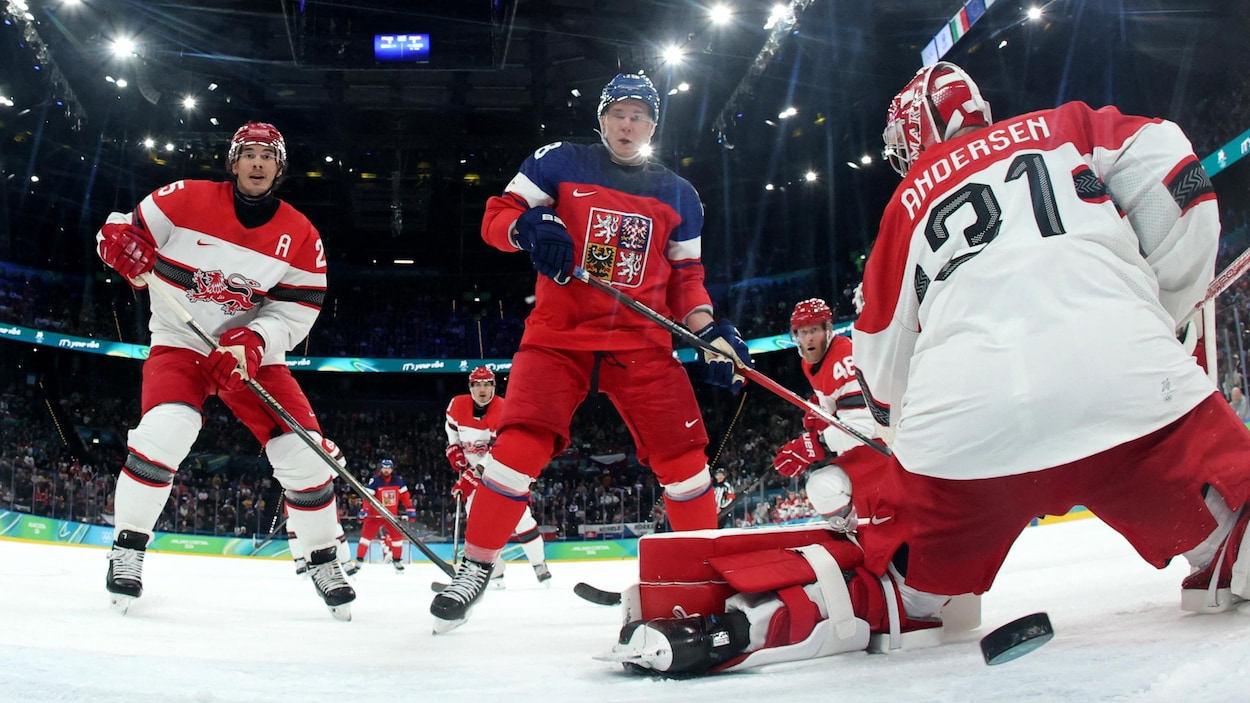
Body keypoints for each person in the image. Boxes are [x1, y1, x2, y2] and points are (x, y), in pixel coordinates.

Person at [604, 61, 1250, 677]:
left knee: (898, 591)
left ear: (915, 134)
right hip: (1131, 393)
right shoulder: (1068, 125)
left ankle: (748, 624)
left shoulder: (907, 202)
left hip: (968, 448)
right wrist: (1158, 309)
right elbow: (1178, 174)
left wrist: (912, 433)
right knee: (1231, 528)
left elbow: (881, 376)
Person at [430, 72, 753, 633]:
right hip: (558, 337)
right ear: (601, 119)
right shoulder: (558, 161)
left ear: (653, 125)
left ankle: (699, 576)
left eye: (639, 116)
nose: (628, 125)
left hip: (642, 342)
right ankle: (476, 566)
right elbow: (494, 219)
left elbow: (687, 279)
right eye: (618, 114)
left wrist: (711, 331)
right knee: (517, 447)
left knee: (686, 463)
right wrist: (530, 227)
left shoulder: (680, 194)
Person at [96, 122, 356, 620]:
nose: (258, 162)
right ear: (233, 162)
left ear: (279, 168)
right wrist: (114, 245)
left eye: (268, 155)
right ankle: (127, 548)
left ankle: (323, 559)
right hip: (179, 342)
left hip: (248, 358)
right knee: (165, 431)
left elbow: (298, 310)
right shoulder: (183, 198)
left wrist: (254, 340)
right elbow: (122, 232)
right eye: (249, 153)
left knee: (305, 453)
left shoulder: (301, 234)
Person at [771, 298, 889, 531]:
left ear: (828, 329)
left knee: (822, 487)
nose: (808, 339)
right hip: (870, 450)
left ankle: (852, 536)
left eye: (814, 330)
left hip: (883, 449)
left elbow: (865, 428)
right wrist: (822, 412)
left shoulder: (844, 359)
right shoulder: (814, 362)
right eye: (802, 332)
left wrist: (816, 443)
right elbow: (835, 400)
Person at [444, 366, 551, 589]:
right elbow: (452, 431)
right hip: (475, 474)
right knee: (478, 526)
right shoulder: (456, 405)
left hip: (506, 471)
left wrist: (471, 476)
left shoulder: (504, 410)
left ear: (494, 387)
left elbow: (498, 452)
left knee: (521, 520)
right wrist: (454, 449)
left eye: (487, 384)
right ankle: (495, 573)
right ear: (470, 387)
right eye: (478, 385)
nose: (482, 390)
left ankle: (540, 566)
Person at [355, 459, 416, 572]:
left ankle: (397, 561)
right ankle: (359, 561)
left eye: (388, 468)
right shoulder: (375, 481)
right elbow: (367, 497)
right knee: (365, 538)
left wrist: (410, 509)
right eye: (384, 468)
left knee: (397, 538)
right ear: (381, 469)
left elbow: (405, 497)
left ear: (392, 469)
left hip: (391, 516)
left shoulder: (398, 481)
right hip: (375, 516)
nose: (386, 470)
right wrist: (365, 509)